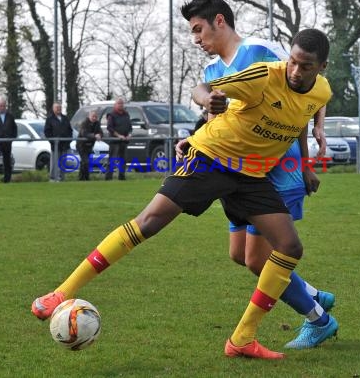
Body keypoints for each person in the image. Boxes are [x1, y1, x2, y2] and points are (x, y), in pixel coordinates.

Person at [32, 27, 332, 360]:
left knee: (289, 247)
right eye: (292, 61)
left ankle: (242, 339)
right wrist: (209, 100)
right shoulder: (263, 75)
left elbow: (301, 118)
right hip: (212, 158)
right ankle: (61, 293)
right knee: (149, 222)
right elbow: (201, 89)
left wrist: (304, 165)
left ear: (321, 68)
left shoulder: (321, 92)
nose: (295, 70)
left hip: (252, 175)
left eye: (305, 66)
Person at [179, 0, 337, 350]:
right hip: (235, 173)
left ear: (220, 21)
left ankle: (317, 317)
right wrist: (192, 139)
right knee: (240, 254)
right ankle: (310, 294)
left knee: (257, 258)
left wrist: (308, 157)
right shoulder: (210, 73)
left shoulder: (260, 51)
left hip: (275, 173)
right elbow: (215, 120)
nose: (196, 39)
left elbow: (298, 98)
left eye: (198, 30)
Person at [0, 97, 17, 183]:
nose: (2, 107)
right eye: (0, 106)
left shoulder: (10, 116)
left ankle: (7, 179)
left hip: (7, 142)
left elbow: (14, 128)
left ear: (6, 106)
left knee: (7, 161)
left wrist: (12, 138)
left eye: (4, 106)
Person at [105, 97, 132, 181]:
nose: (121, 105)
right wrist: (118, 136)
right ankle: (108, 177)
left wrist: (129, 134)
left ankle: (122, 176)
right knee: (112, 160)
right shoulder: (111, 115)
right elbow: (109, 128)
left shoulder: (126, 114)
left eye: (122, 103)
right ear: (115, 105)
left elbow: (130, 126)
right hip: (115, 141)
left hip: (124, 141)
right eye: (119, 103)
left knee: (123, 160)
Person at [44, 102, 73, 182]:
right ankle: (53, 178)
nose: (58, 109)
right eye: (57, 107)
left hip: (65, 145)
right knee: (55, 162)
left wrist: (68, 140)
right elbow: (47, 132)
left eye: (60, 107)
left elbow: (70, 130)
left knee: (63, 162)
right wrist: (53, 141)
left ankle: (62, 178)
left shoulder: (65, 118)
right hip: (55, 145)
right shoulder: (50, 119)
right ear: (53, 109)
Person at [77, 110, 103, 181]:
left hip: (90, 145)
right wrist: (95, 136)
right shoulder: (84, 123)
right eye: (93, 116)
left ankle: (82, 178)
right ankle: (85, 178)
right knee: (86, 161)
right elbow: (84, 133)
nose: (94, 118)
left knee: (84, 162)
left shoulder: (97, 123)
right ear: (89, 116)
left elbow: (100, 132)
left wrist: (99, 135)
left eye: (95, 116)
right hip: (81, 145)